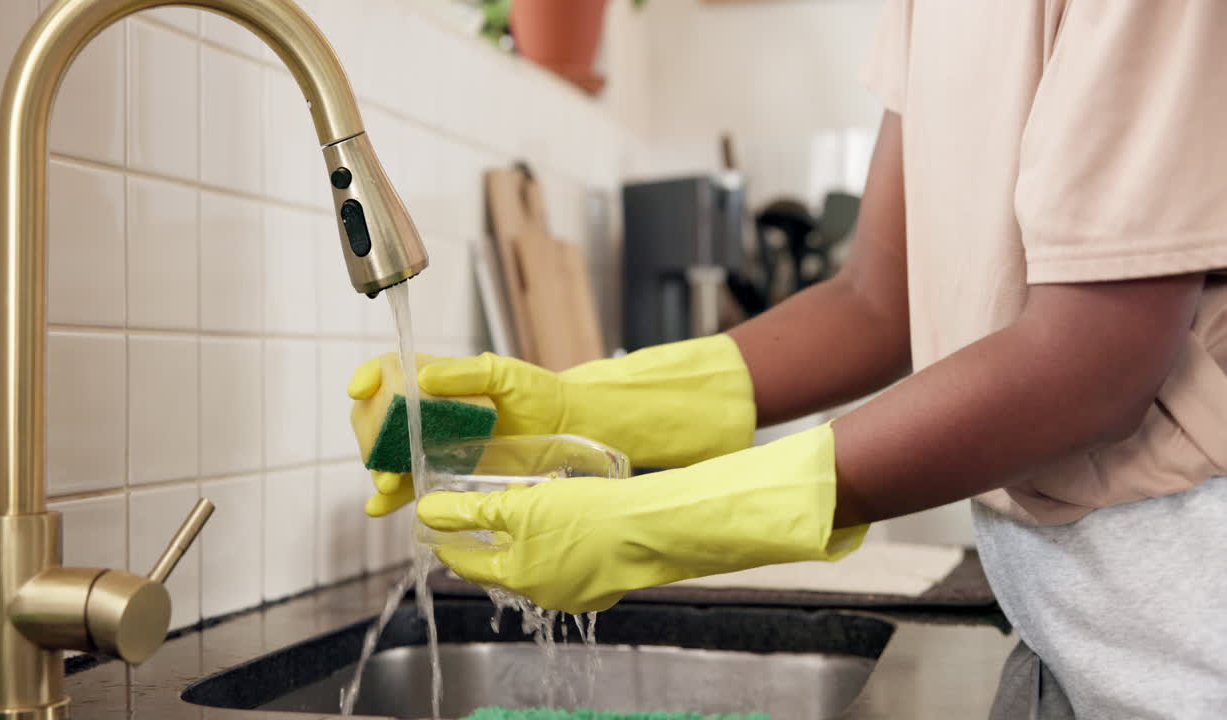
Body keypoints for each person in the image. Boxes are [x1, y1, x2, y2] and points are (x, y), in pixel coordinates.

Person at [347, 2, 1227, 717]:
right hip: (1066, 635)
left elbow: (1093, 365)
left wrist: (663, 520)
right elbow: (876, 301)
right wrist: (576, 407)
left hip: (1190, 629)